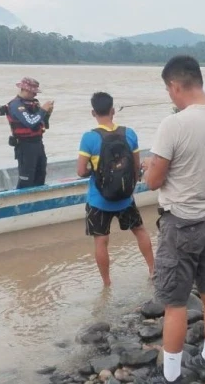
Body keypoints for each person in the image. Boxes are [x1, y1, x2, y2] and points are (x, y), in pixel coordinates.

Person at [142, 55, 205, 384]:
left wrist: (148, 168)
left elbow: (154, 181)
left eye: (168, 90)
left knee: (174, 303)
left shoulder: (174, 124)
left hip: (181, 222)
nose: (170, 96)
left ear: (175, 85)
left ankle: (171, 376)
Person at [76, 92, 154, 287]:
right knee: (140, 231)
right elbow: (136, 168)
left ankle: (107, 283)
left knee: (101, 241)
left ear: (93, 112)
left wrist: (94, 171)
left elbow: (80, 171)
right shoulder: (129, 133)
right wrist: (129, 187)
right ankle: (153, 270)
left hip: (98, 200)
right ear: (112, 110)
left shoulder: (89, 138)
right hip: (125, 198)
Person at [1, 77, 53, 188]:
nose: (35, 95)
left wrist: (47, 113)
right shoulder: (16, 105)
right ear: (25, 90)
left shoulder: (34, 103)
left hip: (38, 144)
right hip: (25, 146)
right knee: (26, 180)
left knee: (40, 176)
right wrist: (43, 110)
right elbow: (29, 122)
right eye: (33, 92)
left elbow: (42, 124)